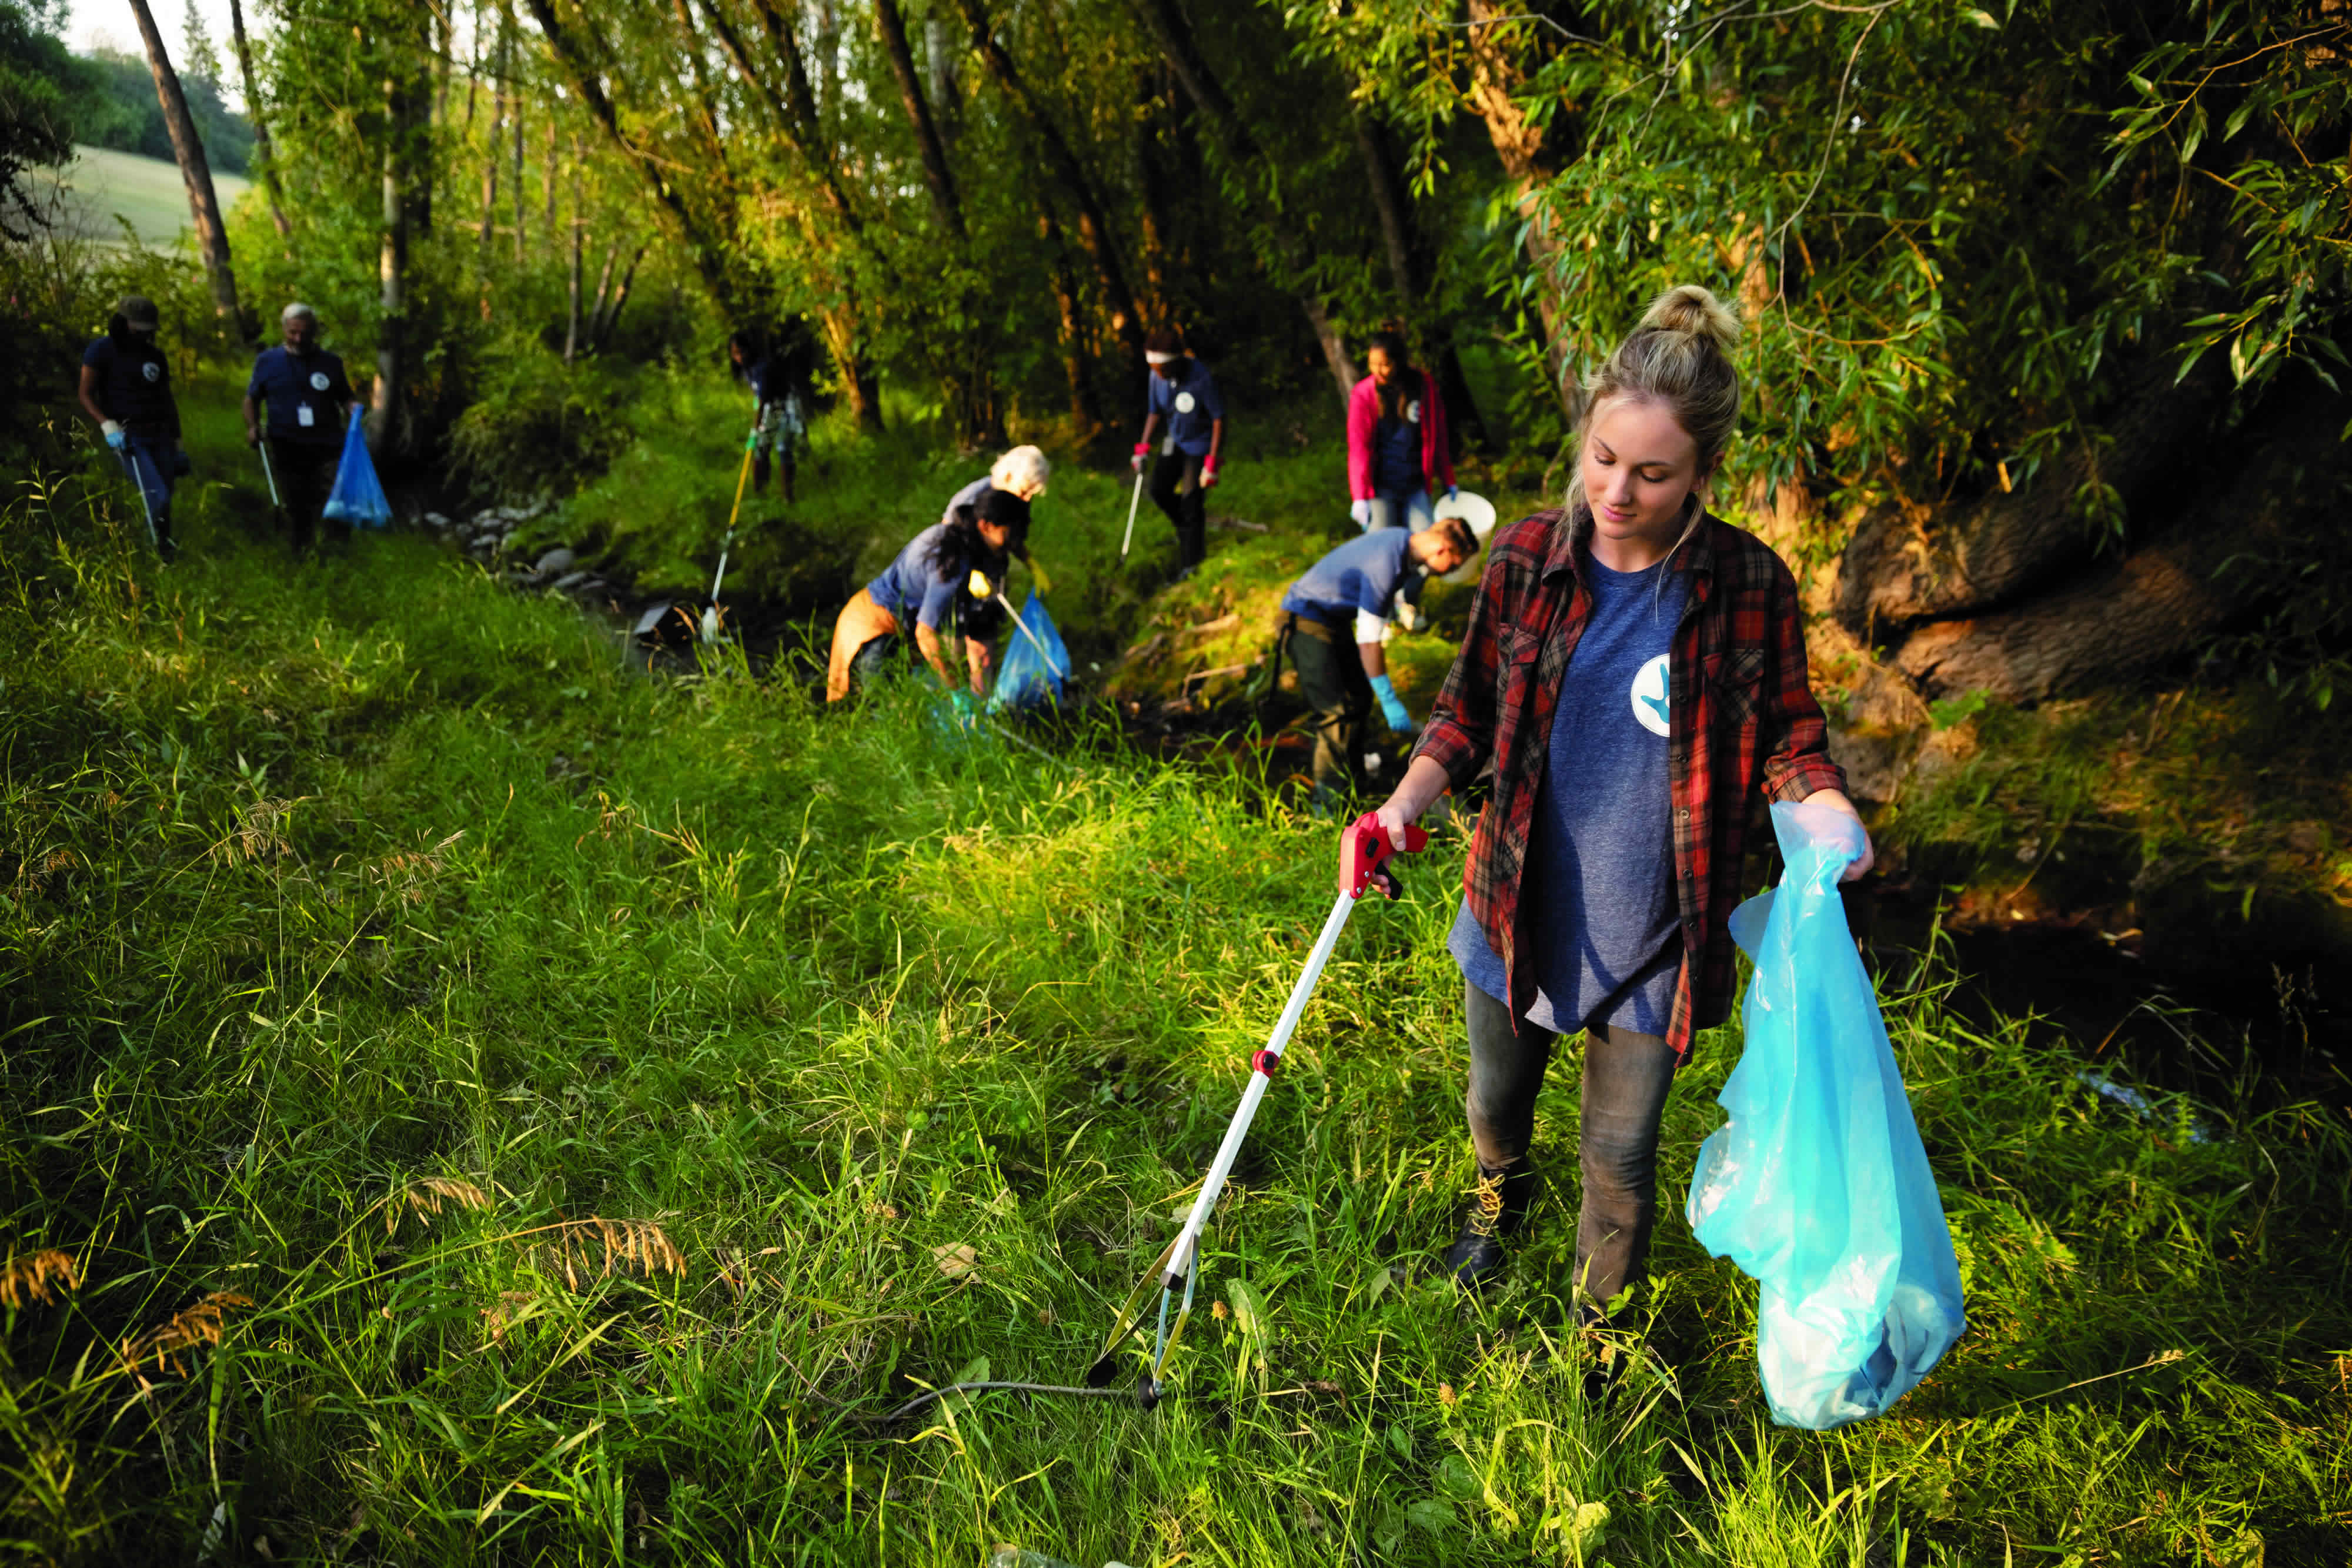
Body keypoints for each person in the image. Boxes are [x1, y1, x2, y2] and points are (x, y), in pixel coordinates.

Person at [1342, 286, 1874, 1357]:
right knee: (1496, 1104)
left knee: (1621, 1157)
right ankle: (1495, 1216)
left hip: (1659, 930)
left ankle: (1598, 1335)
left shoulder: (1747, 585)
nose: (1616, 491)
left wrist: (1826, 809)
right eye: (1602, 459)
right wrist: (1402, 805)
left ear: (1702, 475)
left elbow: (1787, 734)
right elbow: (1468, 709)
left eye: (1652, 473)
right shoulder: (1530, 556)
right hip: (1515, 903)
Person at [1277, 516, 1477, 801]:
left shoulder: (1401, 541)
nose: (1450, 572)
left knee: (1358, 698)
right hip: (1305, 619)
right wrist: (1389, 698)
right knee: (1337, 713)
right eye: (1455, 565)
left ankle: (1354, 788)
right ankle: (1330, 806)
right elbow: (1369, 642)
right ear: (1443, 550)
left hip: (1332, 621)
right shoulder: (1387, 562)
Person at [826, 485, 1028, 704]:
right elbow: (927, 634)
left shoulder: (974, 545)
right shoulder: (951, 560)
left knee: (908, 704)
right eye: (1012, 534)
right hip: (871, 626)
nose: (1016, 542)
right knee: (881, 709)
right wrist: (957, 692)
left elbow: (980, 635)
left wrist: (981, 692)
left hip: (899, 627)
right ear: (986, 526)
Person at [78, 294, 186, 560]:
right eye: (139, 329)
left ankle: (164, 542)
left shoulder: (154, 356)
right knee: (156, 493)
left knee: (166, 494)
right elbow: (85, 394)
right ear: (124, 323)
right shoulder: (101, 350)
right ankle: (160, 556)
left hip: (159, 432)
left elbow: (166, 398)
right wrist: (107, 426)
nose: (144, 335)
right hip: (127, 434)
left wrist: (178, 441)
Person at [243, 303, 358, 553]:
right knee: (296, 503)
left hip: (327, 445)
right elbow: (252, 398)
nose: (299, 339)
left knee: (335, 501)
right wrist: (252, 427)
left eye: (305, 333)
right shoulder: (267, 362)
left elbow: (345, 397)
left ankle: (336, 553)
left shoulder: (331, 363)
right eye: (293, 332)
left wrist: (354, 409)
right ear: (284, 329)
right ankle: (301, 554)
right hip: (287, 445)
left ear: (314, 331)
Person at [1130, 327, 1225, 575]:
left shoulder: (1200, 377)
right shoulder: (1156, 377)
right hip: (1175, 440)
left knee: (1191, 501)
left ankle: (1192, 565)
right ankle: (1186, 530)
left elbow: (1218, 418)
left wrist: (1212, 463)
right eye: (1153, 369)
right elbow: (1154, 412)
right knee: (1158, 491)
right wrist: (1143, 447)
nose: (1157, 374)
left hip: (1199, 446)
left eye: (1161, 369)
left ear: (1176, 363)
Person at [1347, 329, 1455, 536]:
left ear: (1398, 361)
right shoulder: (1363, 395)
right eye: (1373, 364)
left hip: (1416, 484)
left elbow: (1438, 436)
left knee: (1425, 545)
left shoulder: (1423, 386)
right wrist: (1360, 497)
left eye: (1385, 364)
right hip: (1380, 487)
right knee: (1379, 546)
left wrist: (1448, 478)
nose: (1378, 370)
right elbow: (1358, 449)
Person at [940, 445, 1054, 594]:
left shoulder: (1018, 500)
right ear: (1008, 477)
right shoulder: (970, 499)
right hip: (962, 578)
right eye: (1024, 491)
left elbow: (1013, 538)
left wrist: (1032, 565)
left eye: (1031, 494)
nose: (1027, 499)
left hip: (995, 573)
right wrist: (971, 570)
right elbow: (944, 539)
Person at [729, 332, 807, 503]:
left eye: (741, 352)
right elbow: (757, 398)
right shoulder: (747, 369)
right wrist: (757, 432)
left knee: (783, 447)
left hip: (787, 404)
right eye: (735, 354)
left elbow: (763, 399)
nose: (739, 357)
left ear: (749, 349)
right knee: (761, 449)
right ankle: (761, 497)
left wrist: (755, 429)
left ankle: (788, 497)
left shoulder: (762, 367)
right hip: (771, 407)